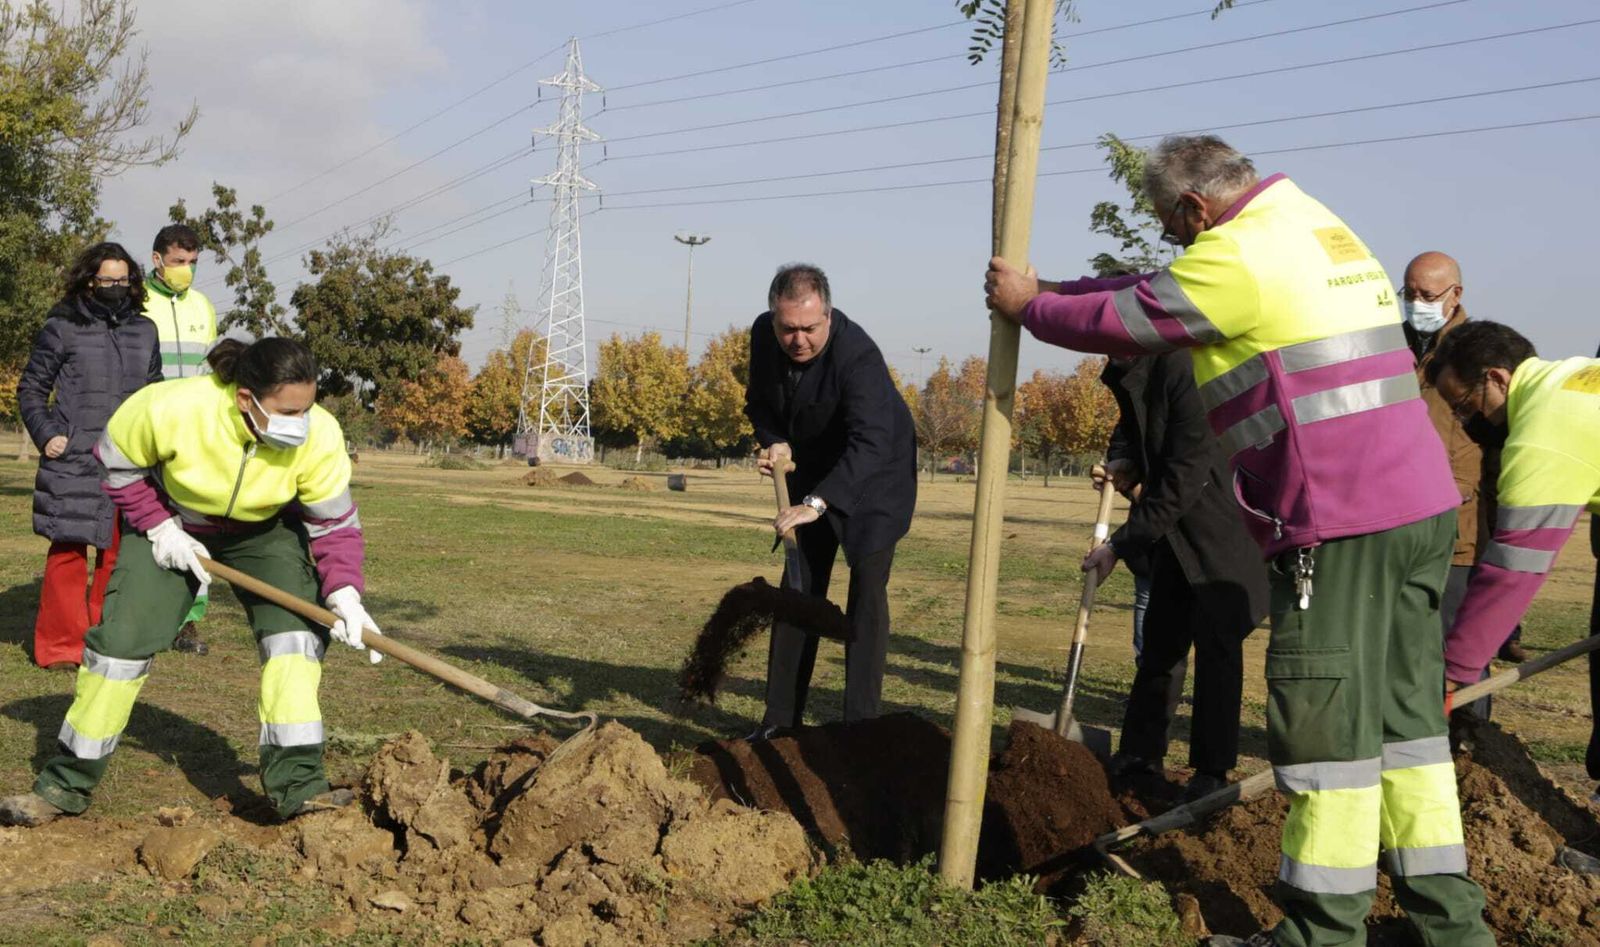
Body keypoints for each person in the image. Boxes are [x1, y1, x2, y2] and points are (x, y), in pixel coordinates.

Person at [983, 134, 1492, 946]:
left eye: (1171, 223)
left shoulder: (1239, 256)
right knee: (1408, 730)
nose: (1175, 241)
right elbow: (1150, 285)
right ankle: (1453, 926)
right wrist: (1047, 285)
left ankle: (1322, 932)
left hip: (1342, 521)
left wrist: (1029, 308)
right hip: (1420, 512)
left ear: (1193, 206)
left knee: (1328, 734)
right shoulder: (1311, 222)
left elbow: (1130, 313)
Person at [0, 337, 381, 827]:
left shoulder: (320, 435)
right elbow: (115, 464)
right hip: (172, 523)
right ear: (246, 398)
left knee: (297, 639)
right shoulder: (172, 408)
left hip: (263, 533)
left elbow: (332, 524)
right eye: (287, 411)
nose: (300, 423)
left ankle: (299, 788)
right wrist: (160, 527)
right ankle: (64, 785)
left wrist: (344, 592)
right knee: (119, 645)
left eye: (306, 409)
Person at [743, 263, 917, 738]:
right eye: (788, 329)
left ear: (829, 314)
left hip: (876, 477)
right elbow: (759, 401)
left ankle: (860, 727)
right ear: (773, 318)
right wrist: (775, 439)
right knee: (798, 589)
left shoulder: (857, 355)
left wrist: (818, 505)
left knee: (866, 594)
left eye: (809, 328)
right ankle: (779, 721)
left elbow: (872, 442)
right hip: (814, 468)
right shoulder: (763, 334)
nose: (798, 340)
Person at [1093, 352, 1269, 802]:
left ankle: (1212, 770)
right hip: (1173, 535)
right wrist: (1123, 461)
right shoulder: (1132, 372)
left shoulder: (1182, 368)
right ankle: (1139, 756)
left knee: (1217, 653)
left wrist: (1119, 545)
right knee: (1159, 648)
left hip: (1220, 531)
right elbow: (1137, 435)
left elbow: (1185, 474)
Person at [1425, 322, 1600, 774]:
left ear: (1498, 378)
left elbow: (1513, 570)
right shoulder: (1572, 375)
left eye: (1465, 406)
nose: (1465, 424)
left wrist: (1452, 673)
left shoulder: (1544, 431)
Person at [17, 243, 163, 671]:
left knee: (119, 555)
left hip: (129, 459)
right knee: (69, 552)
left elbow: (154, 394)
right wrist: (47, 435)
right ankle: (61, 646)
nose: (116, 288)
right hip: (75, 458)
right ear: (89, 280)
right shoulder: (62, 326)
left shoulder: (145, 331)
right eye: (107, 280)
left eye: (123, 281)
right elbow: (31, 388)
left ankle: (107, 640)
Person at [1401, 251, 1525, 676]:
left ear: (1456, 294)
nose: (1417, 302)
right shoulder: (1387, 347)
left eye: (1427, 294)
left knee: (1456, 646)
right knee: (1399, 645)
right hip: (1395, 521)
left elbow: (1498, 454)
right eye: (1409, 292)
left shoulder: (1478, 355)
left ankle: (1468, 737)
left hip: (1459, 530)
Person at [142, 223, 219, 656]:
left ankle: (188, 620)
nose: (186, 271)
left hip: (193, 433)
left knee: (194, 525)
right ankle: (143, 610)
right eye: (178, 262)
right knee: (146, 525)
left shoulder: (203, 306)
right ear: (157, 260)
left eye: (192, 263)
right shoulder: (138, 303)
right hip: (147, 428)